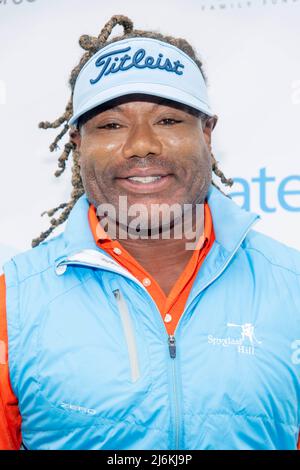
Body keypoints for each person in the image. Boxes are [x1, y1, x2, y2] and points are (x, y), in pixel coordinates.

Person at [0, 14, 299, 450]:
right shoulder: (13, 302)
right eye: (111, 125)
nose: (142, 145)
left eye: (168, 121)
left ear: (207, 134)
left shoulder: (292, 285)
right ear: (78, 143)